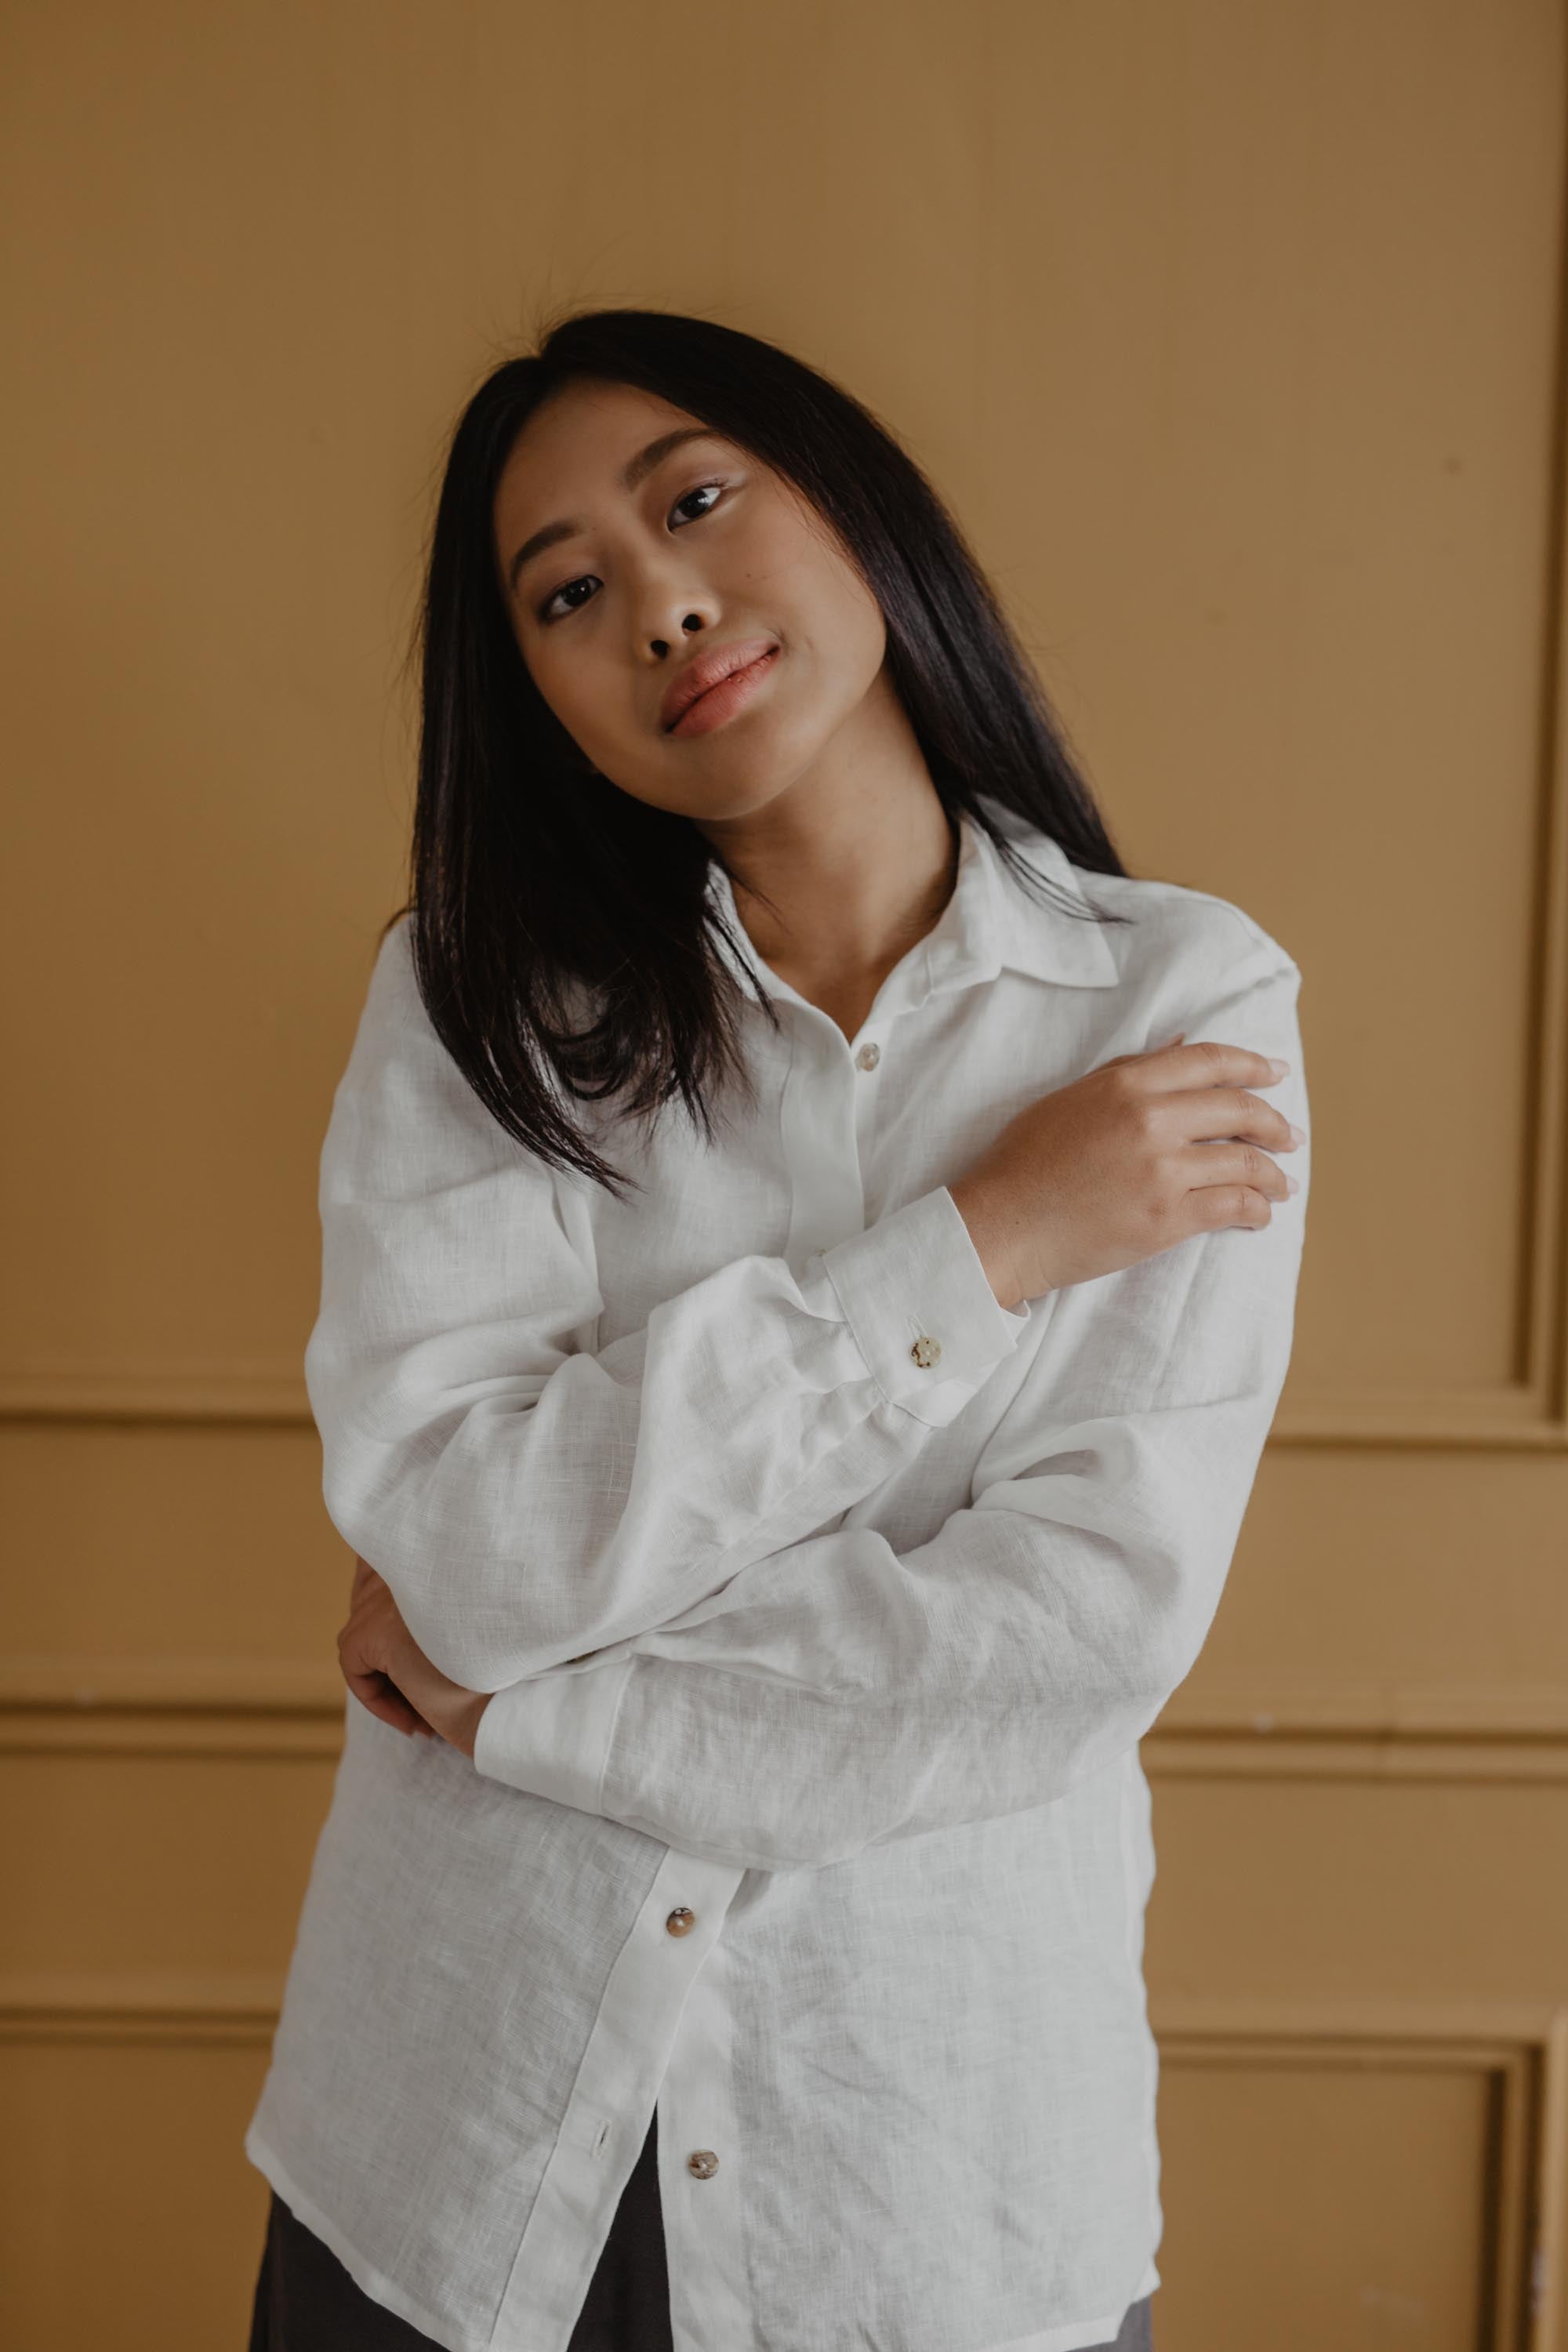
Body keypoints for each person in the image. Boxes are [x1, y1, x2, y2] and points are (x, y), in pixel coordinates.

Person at [244, 306, 1308, 2352]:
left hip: (924, 2176)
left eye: (698, 499)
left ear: (858, 508)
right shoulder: (473, 1014)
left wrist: (521, 1713)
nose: (661, 602)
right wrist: (980, 1243)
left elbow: (1061, 1644)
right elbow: (461, 1546)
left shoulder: (1180, 1012)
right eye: (570, 591)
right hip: (459, 2147)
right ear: (538, 688)